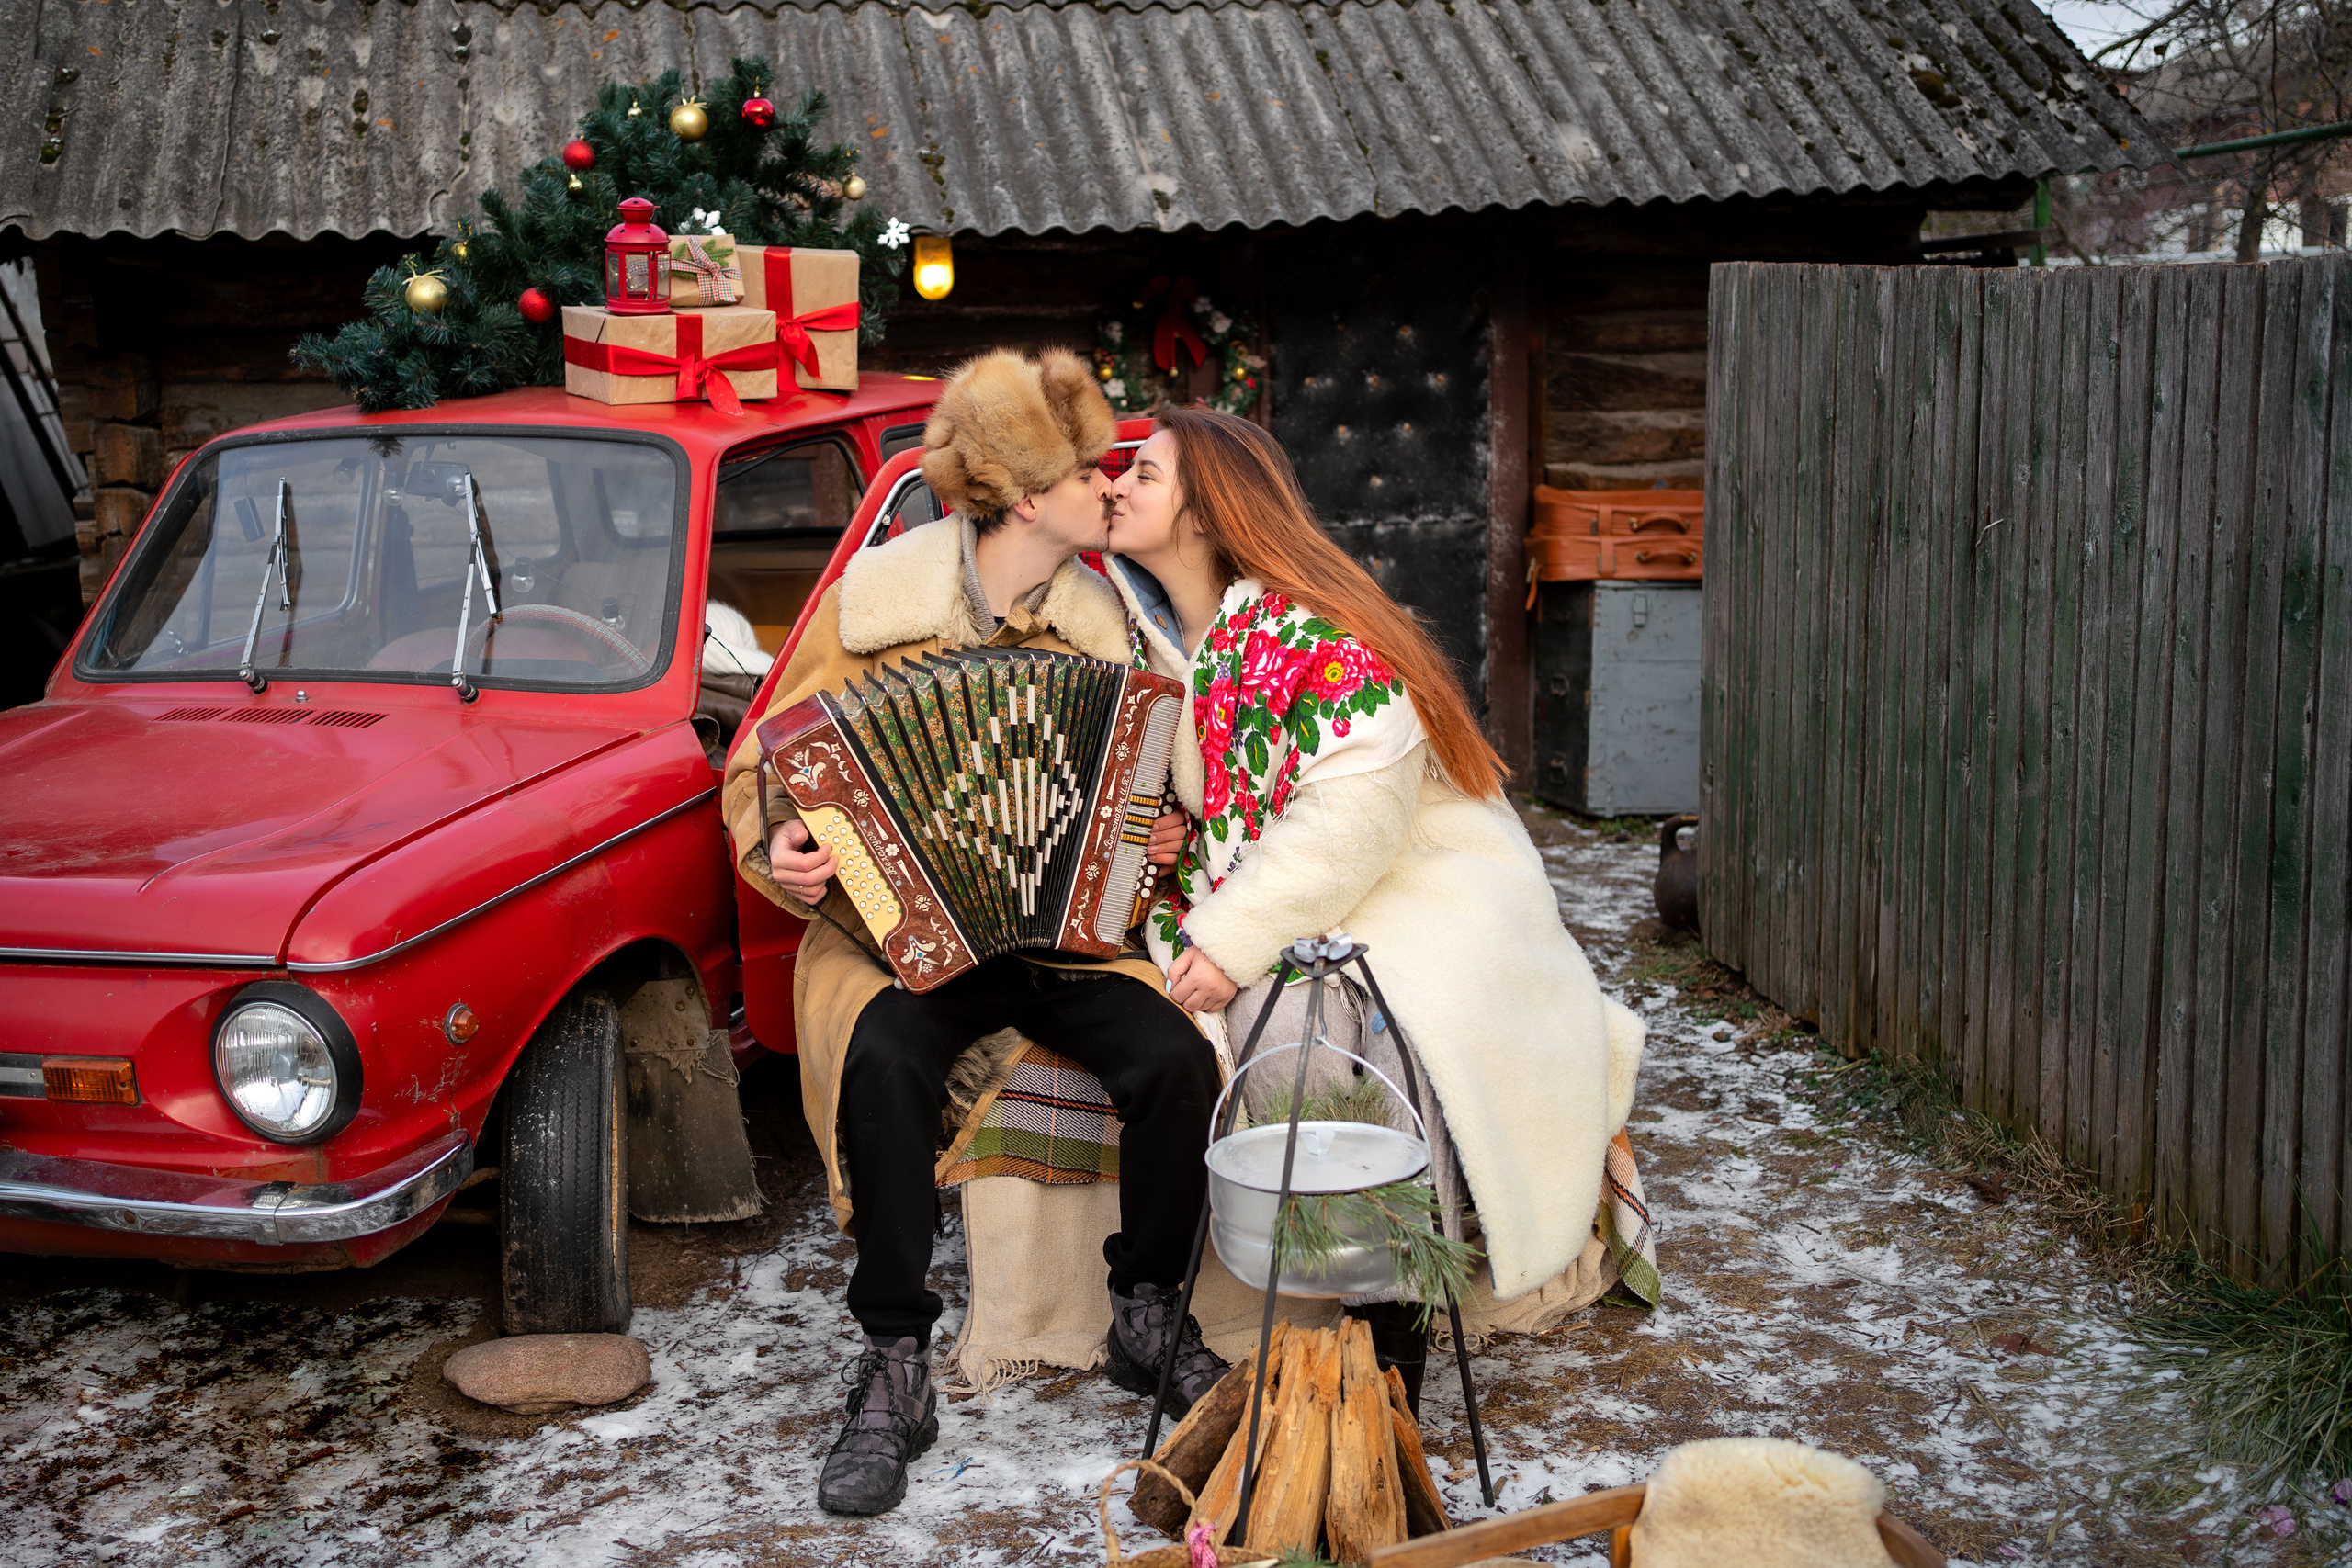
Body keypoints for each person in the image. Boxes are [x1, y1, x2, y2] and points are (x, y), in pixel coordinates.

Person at [720, 351, 1227, 1517]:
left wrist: (1152, 837)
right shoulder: (873, 606)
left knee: (1172, 1060)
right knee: (883, 1062)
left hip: (1062, 937)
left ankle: (1146, 1311)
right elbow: (765, 764)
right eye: (1089, 473)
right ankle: (894, 1358)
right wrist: (785, 840)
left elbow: (1151, 782)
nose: (1109, 487)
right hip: (900, 939)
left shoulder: (1104, 624)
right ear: (1027, 495)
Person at [1101, 407, 1649, 1401]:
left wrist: (1228, 940)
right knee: (1270, 1015)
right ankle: (1354, 1288)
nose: (1116, 486)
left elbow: (1350, 818)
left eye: (1143, 473)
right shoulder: (1151, 635)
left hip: (1416, 879)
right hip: (1280, 886)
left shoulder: (1310, 632)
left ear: (1207, 511)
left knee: (1312, 1023)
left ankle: (1392, 1314)